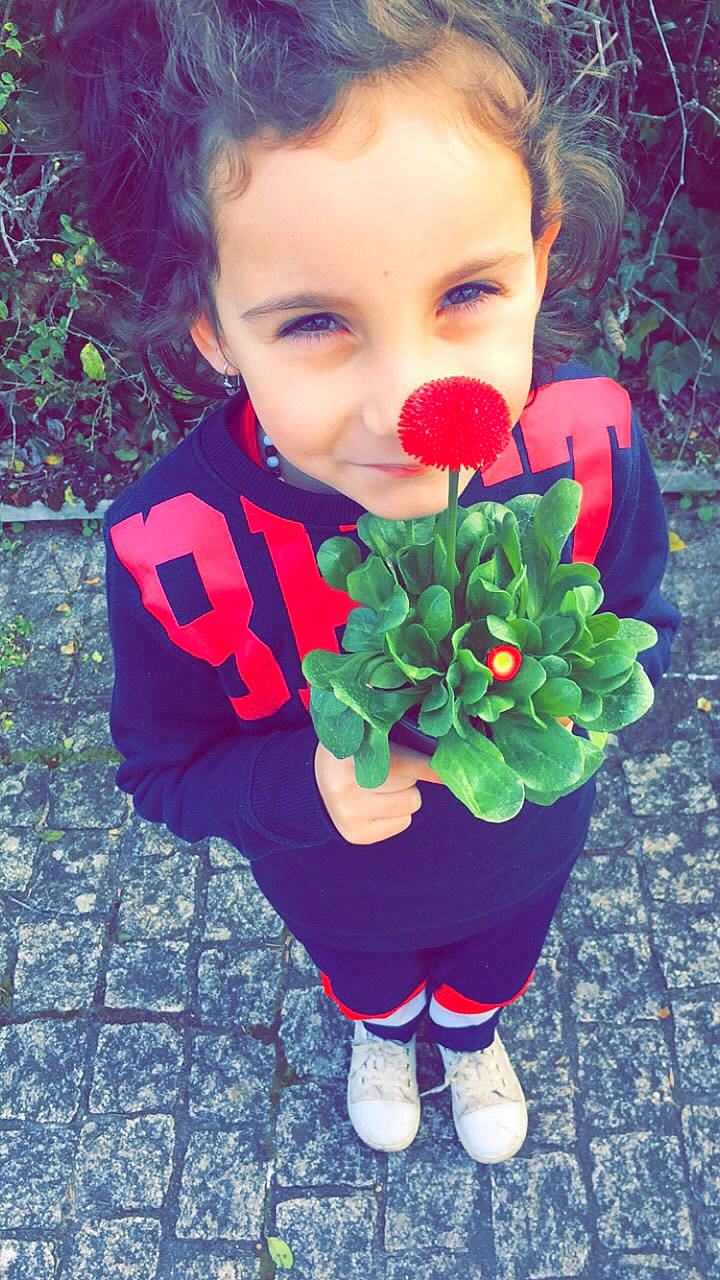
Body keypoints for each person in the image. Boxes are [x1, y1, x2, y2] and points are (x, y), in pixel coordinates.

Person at [46, 0, 681, 1162]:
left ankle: (475, 1032)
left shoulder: (589, 445)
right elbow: (163, 771)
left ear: (539, 257)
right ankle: (383, 1027)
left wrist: (578, 708)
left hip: (527, 854)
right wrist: (308, 778)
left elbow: (643, 629)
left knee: (492, 966)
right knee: (372, 978)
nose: (410, 403)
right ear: (211, 328)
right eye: (317, 321)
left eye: (467, 293)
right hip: (336, 893)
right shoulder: (175, 546)